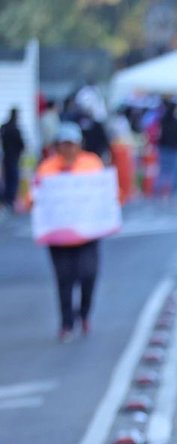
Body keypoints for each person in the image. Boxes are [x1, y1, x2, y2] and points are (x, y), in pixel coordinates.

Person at [35, 122, 106, 342]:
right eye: (63, 144)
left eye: (71, 144)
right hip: (59, 236)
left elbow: (103, 191)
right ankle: (66, 323)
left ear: (79, 145)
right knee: (64, 279)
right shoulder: (47, 168)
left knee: (88, 274)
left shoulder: (91, 163)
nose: (67, 149)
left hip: (87, 233)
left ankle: (84, 314)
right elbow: (36, 198)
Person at [1, 108, 25, 212]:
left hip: (6, 156)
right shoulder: (15, 129)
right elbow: (21, 144)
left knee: (6, 179)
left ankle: (6, 199)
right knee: (13, 179)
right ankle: (10, 199)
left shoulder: (4, 127)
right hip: (14, 157)